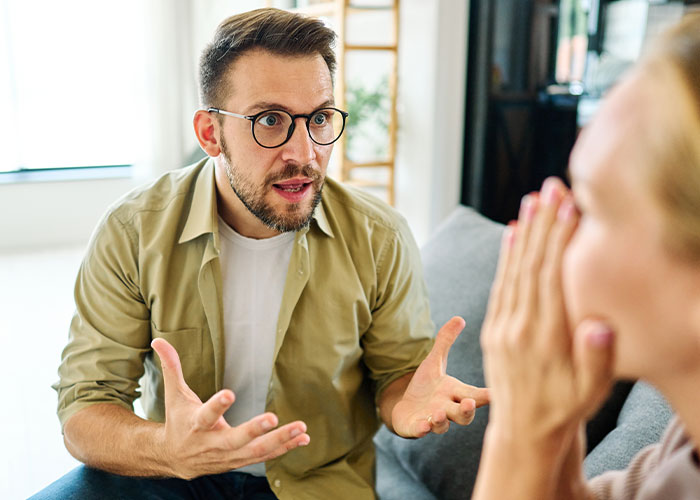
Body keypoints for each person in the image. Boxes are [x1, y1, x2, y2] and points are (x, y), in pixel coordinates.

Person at [33, 8, 488, 500]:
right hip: (173, 474)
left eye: (318, 118)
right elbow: (84, 408)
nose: (304, 151)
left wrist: (404, 405)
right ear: (211, 133)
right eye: (270, 121)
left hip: (317, 482)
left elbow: (398, 378)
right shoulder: (133, 231)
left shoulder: (381, 238)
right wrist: (168, 448)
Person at [472, 14, 700, 500]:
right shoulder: (685, 447)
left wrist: (518, 437)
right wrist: (549, 427)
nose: (559, 231)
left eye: (591, 208)